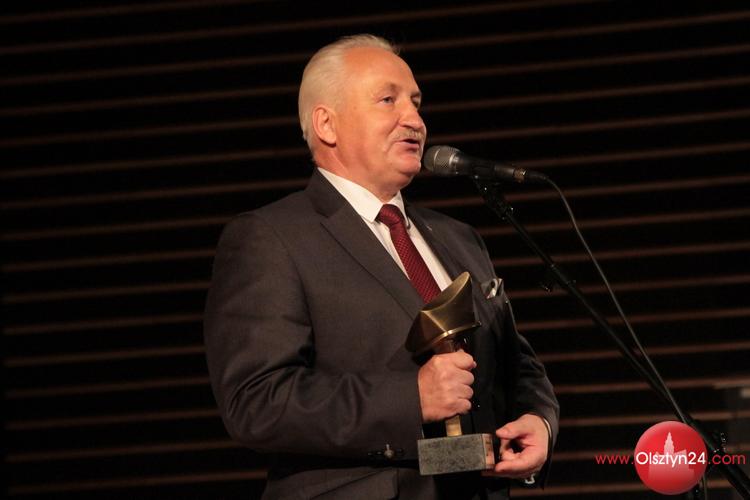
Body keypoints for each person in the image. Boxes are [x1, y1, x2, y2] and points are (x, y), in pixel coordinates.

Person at [204, 34, 559, 499]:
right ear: (327, 124)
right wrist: (411, 398)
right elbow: (256, 402)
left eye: (416, 102)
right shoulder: (271, 237)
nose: (414, 120)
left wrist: (539, 420)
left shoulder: (458, 237)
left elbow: (517, 362)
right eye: (388, 100)